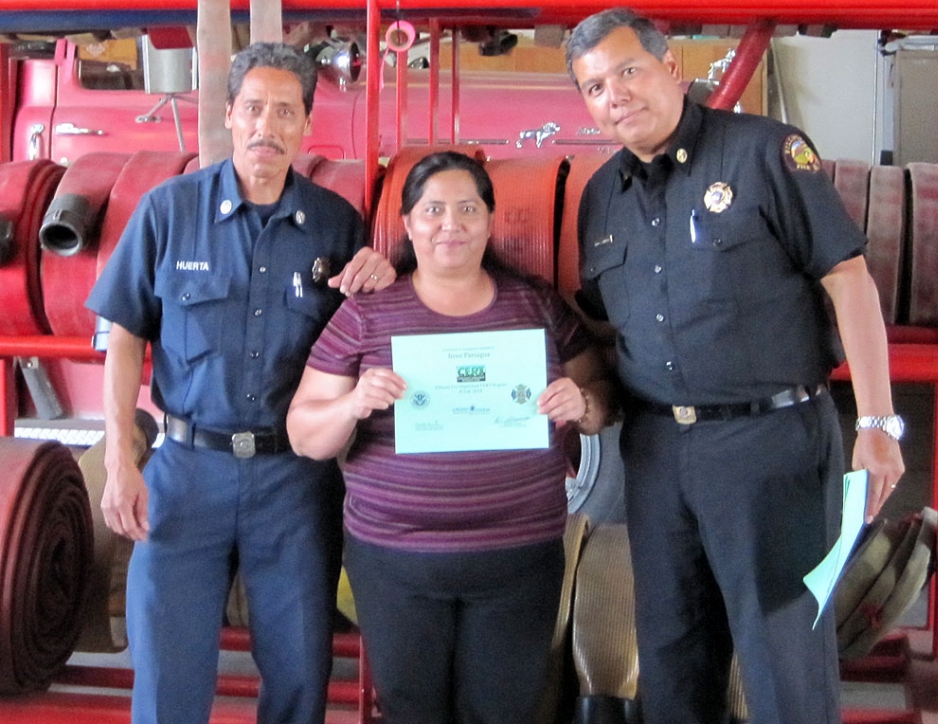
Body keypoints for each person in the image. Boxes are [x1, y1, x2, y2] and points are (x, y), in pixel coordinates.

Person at [564, 8, 906, 724]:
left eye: (628, 71)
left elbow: (848, 279)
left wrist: (878, 422)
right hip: (657, 453)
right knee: (670, 655)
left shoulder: (766, 154)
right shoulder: (601, 198)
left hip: (771, 446)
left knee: (783, 660)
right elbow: (602, 324)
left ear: (671, 69)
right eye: (594, 87)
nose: (615, 94)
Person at [85, 42, 394, 724]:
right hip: (185, 473)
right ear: (229, 114)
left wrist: (383, 276)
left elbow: (368, 341)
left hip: (294, 484)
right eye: (253, 108)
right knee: (168, 675)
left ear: (306, 123)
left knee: (300, 673)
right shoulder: (169, 211)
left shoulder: (336, 224)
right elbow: (124, 336)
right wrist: (118, 459)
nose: (267, 126)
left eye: (285, 111)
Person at [286, 150, 613, 724]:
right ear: (408, 224)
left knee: (506, 711)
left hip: (519, 561)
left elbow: (597, 387)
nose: (450, 223)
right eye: (432, 209)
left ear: (489, 218)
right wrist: (353, 403)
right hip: (396, 565)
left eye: (468, 208)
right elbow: (304, 434)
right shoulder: (367, 314)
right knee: (413, 711)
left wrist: (582, 403)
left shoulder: (532, 303)